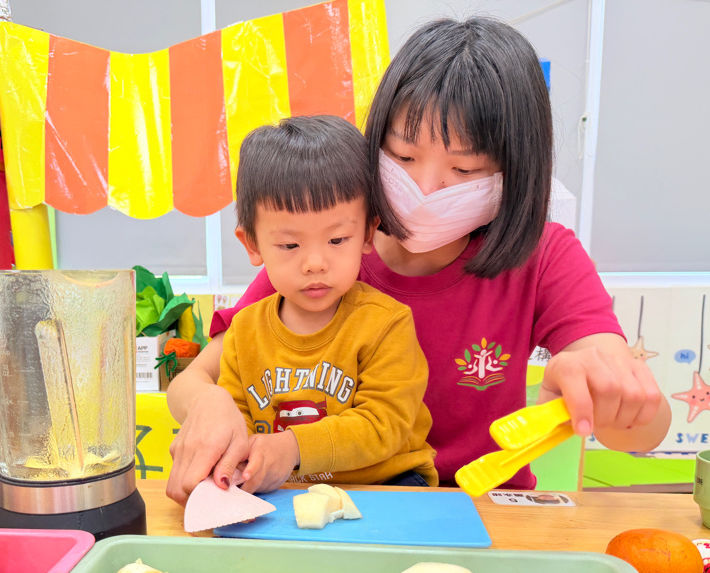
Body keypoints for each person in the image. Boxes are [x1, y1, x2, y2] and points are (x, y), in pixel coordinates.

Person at [166, 16, 671, 505]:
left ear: (515, 170)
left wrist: (609, 394)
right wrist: (210, 404)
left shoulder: (544, 256)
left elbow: (644, 430)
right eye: (404, 157)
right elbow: (194, 380)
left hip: (485, 509)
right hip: (351, 506)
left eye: (464, 168)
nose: (426, 188)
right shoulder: (327, 252)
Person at [214, 115, 438, 493]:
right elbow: (234, 423)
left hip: (386, 485)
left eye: (337, 240)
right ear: (252, 245)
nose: (315, 263)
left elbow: (384, 425)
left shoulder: (386, 323)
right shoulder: (244, 334)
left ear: (367, 234)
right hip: (285, 491)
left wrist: (294, 447)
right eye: (290, 245)